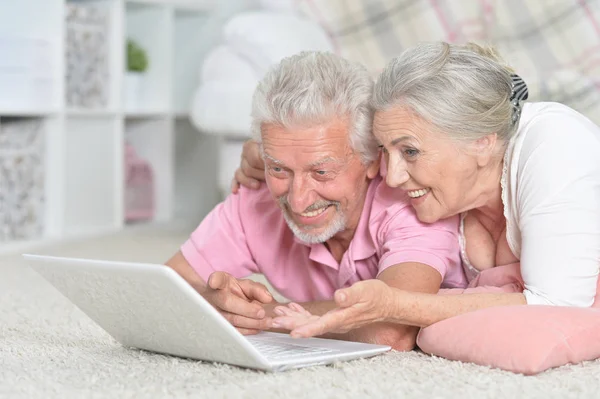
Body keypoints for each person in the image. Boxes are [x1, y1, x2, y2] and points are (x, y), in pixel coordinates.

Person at [232, 42, 600, 339]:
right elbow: (340, 151)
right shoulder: (442, 183)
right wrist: (267, 157)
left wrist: (397, 305)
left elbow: (558, 305)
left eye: (409, 152)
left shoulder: (556, 146)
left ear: (482, 142)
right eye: (384, 150)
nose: (390, 178)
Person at [165, 51, 467, 349]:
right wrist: (211, 301)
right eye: (279, 168)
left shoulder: (412, 199)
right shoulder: (256, 193)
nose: (297, 201)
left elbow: (390, 329)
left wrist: (262, 317)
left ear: (373, 159)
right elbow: (165, 287)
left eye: (321, 172)